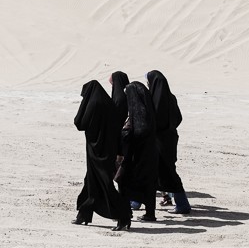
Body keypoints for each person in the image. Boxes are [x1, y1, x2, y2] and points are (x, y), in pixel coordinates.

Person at [74, 80, 132, 230]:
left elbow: (79, 123)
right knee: (90, 183)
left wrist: (84, 106)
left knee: (104, 185)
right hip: (107, 151)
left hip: (96, 153)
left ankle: (124, 216)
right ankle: (84, 214)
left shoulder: (93, 104)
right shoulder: (109, 104)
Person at [147, 70, 191, 214]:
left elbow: (152, 120)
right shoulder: (171, 98)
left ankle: (182, 205)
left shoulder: (153, 99)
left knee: (167, 172)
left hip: (158, 141)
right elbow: (178, 118)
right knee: (162, 171)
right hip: (171, 139)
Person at [116, 81, 159, 221]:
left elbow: (135, 134)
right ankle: (149, 213)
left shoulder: (139, 117)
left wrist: (124, 132)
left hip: (137, 158)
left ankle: (124, 214)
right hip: (149, 157)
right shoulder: (148, 112)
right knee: (148, 185)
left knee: (124, 182)